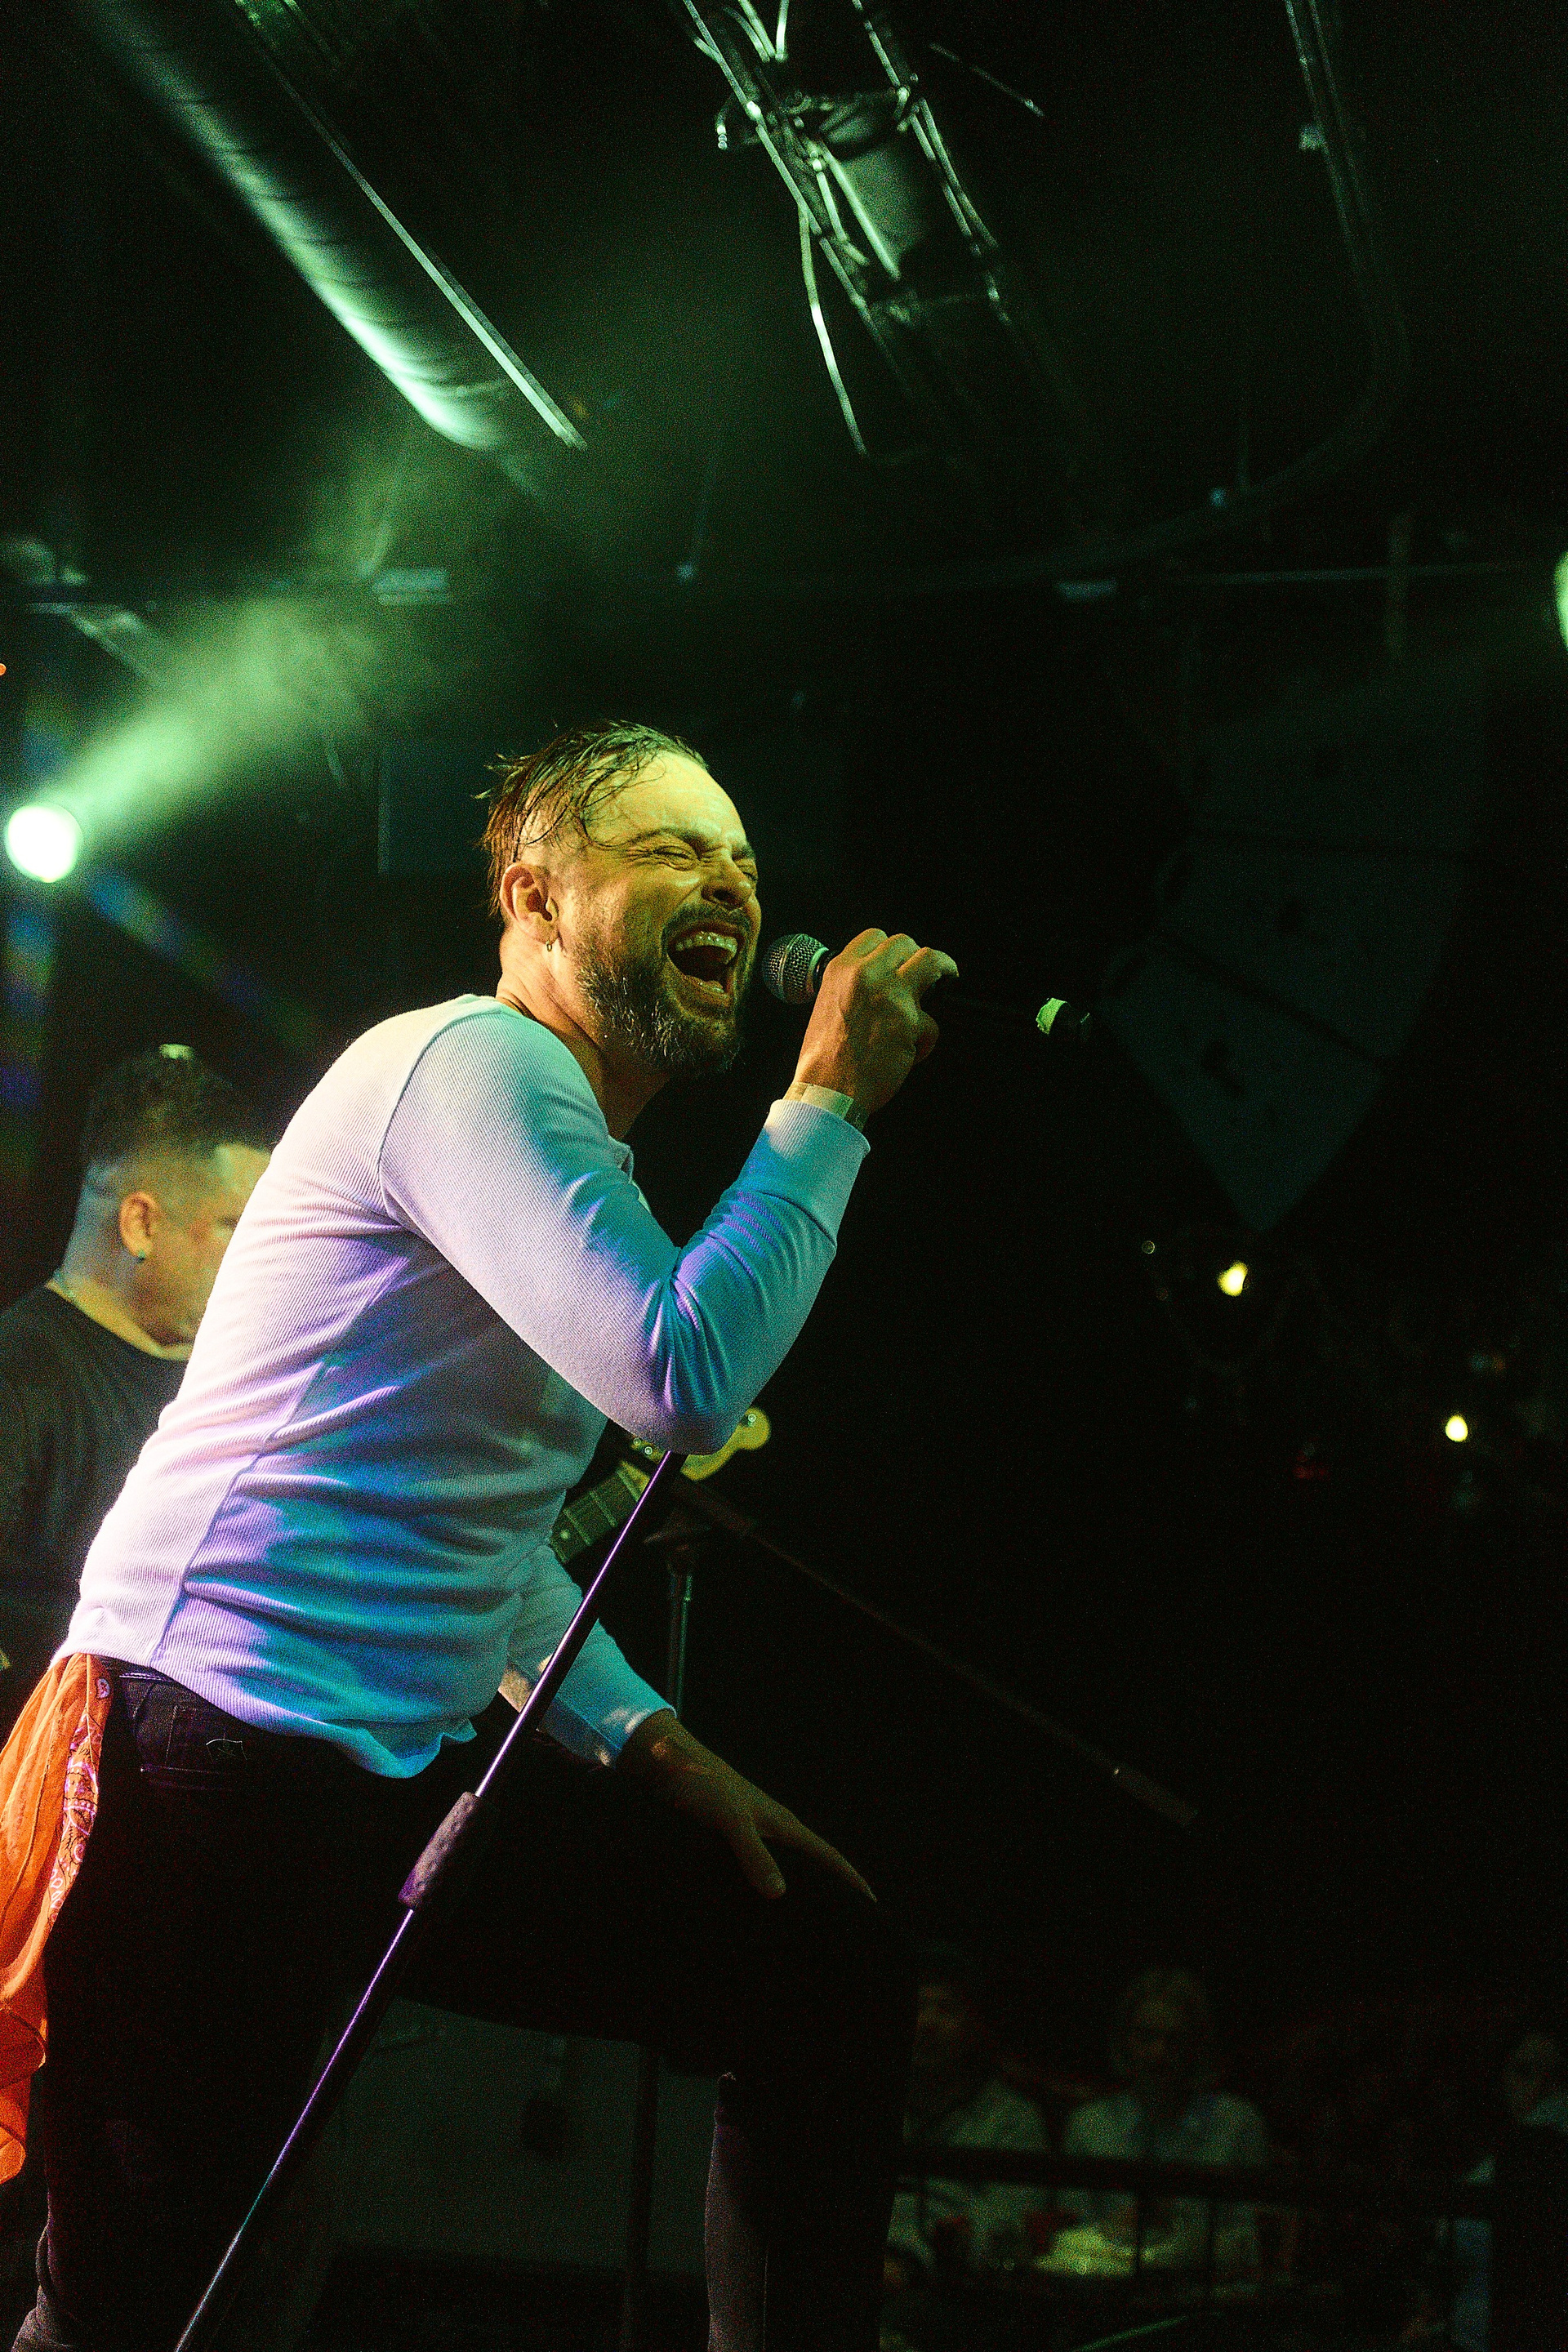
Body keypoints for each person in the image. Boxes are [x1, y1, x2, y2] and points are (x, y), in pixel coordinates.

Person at [5, 720, 957, 2352]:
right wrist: (825, 1104)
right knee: (133, 2315)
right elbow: (681, 1373)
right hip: (207, 1757)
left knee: (822, 1971)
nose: (731, 882)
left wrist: (656, 1747)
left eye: (742, 858)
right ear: (531, 893)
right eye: (671, 847)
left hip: (370, 1772)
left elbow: (486, 1539)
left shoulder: (555, 1142)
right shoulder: (469, 1064)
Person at [0, 1047, 270, 1726]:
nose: (263, 1256)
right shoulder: (19, 1374)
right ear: (140, 1223)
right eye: (236, 1227)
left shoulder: (230, 1393)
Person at [1058, 1968, 1268, 2273]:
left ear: (1197, 2045)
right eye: (1147, 2037)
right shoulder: (1091, 2125)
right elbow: (1068, 2237)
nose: (1159, 2054)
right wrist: (1118, 2228)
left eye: (1175, 2040)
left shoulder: (1236, 2124)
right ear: (1125, 2039)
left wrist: (1180, 2238)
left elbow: (1254, 2242)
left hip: (1207, 2290)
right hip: (1109, 2286)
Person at [885, 1948, 1049, 2287]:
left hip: (951, 2287)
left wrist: (912, 2257)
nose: (927, 2023)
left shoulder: (1012, 2119)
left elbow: (1009, 2227)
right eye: (918, 2007)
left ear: (975, 2026)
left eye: (946, 2010)